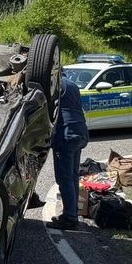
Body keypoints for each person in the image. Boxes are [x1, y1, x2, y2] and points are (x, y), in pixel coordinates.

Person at [46, 75, 90, 231]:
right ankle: (72, 213)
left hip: (65, 133)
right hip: (80, 131)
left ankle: (70, 218)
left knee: (64, 178)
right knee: (72, 176)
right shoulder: (71, 84)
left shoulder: (53, 84)